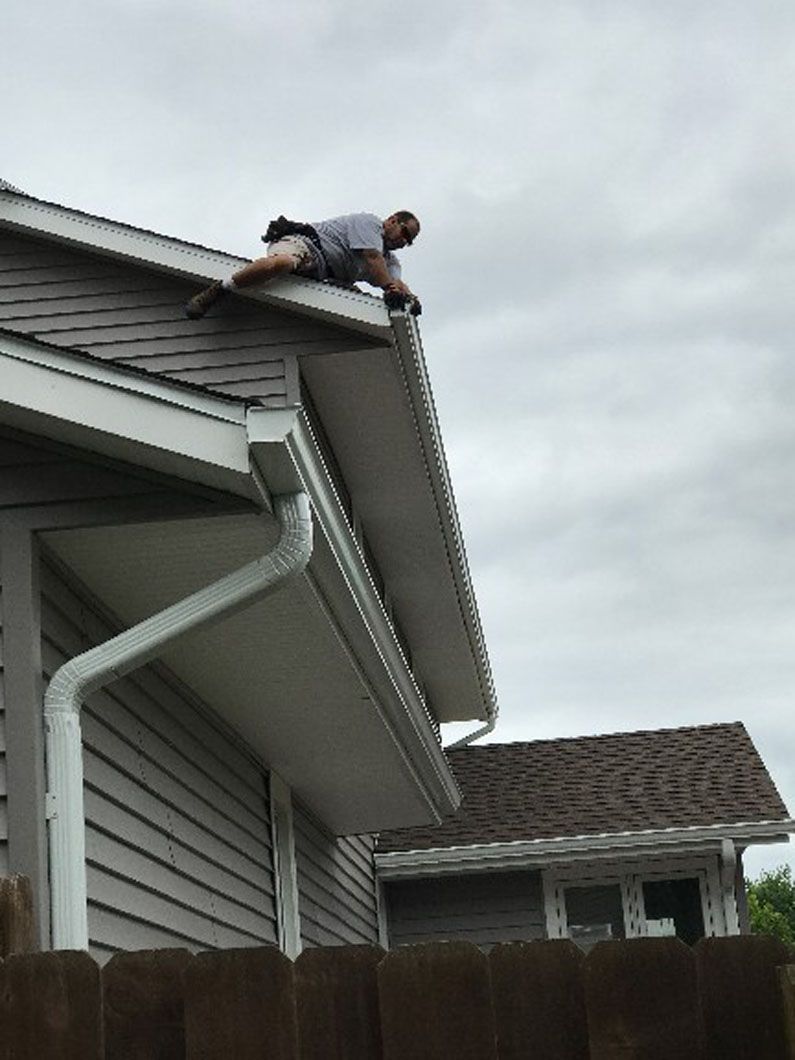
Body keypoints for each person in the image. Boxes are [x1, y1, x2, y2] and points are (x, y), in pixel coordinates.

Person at [184, 210, 420, 319]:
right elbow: (372, 258)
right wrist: (389, 289)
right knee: (281, 264)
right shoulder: (369, 225)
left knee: (357, 304)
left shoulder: (390, 261)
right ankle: (220, 289)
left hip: (325, 276)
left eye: (409, 241)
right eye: (404, 232)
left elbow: (396, 281)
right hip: (306, 247)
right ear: (391, 220)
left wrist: (411, 299)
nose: (403, 241)